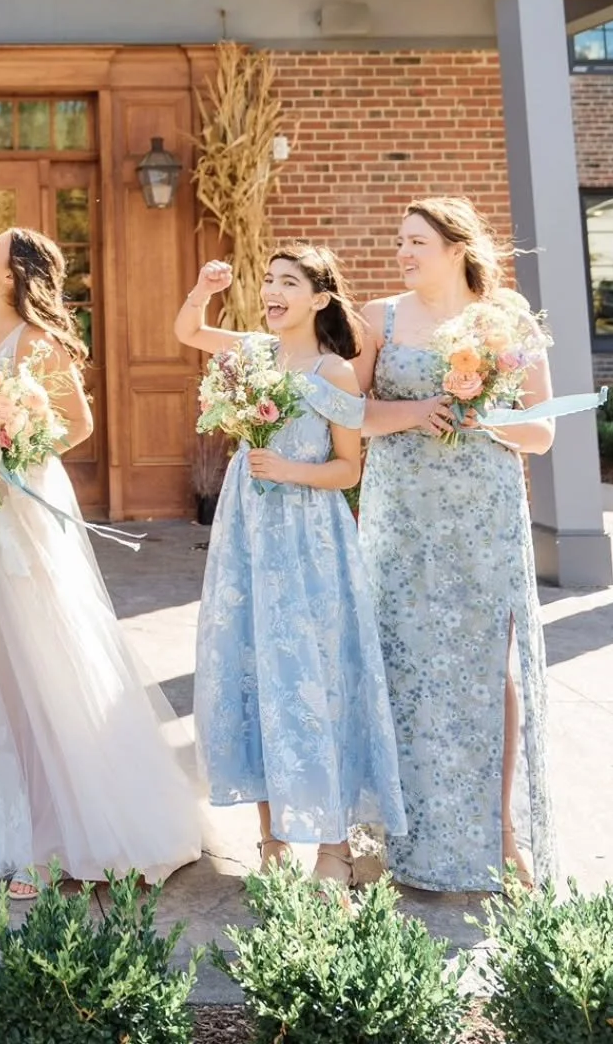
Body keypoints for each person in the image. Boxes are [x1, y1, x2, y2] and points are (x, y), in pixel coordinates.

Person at [0, 227, 202, 896]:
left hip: (18, 507)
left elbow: (78, 424)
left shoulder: (36, 341)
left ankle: (52, 838)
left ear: (13, 273)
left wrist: (12, 448)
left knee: (39, 653)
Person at [176, 248, 405, 885]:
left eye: (289, 282)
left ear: (320, 298)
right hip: (247, 533)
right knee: (254, 670)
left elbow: (348, 470)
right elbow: (190, 332)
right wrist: (204, 288)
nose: (273, 291)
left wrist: (289, 470)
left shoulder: (334, 372)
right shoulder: (254, 354)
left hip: (310, 541)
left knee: (314, 673)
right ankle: (271, 841)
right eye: (270, 281)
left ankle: (334, 848)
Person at [356, 197, 556, 892]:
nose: (403, 252)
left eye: (416, 241)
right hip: (401, 516)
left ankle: (502, 836)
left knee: (484, 670)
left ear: (456, 248)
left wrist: (483, 415)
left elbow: (541, 432)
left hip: (481, 518)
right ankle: (385, 837)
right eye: (400, 241)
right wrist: (416, 411)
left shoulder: (508, 318)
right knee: (395, 665)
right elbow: (353, 415)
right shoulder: (378, 318)